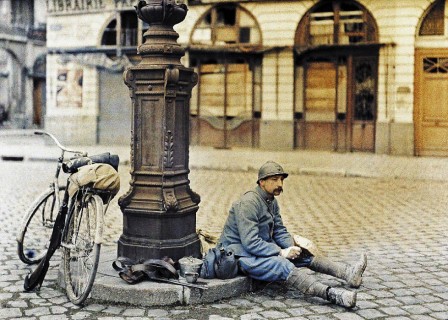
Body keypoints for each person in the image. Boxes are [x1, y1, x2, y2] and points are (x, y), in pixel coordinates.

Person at [217, 161, 367, 308]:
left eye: (281, 179)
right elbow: (250, 243)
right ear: (262, 182)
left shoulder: (271, 201)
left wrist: (292, 247)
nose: (280, 184)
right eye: (274, 179)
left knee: (304, 256)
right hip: (238, 256)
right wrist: (281, 252)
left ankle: (348, 274)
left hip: (257, 251)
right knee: (283, 265)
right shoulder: (248, 203)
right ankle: (333, 295)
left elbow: (279, 230)